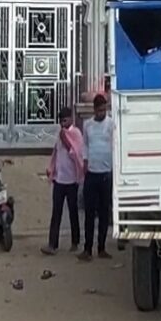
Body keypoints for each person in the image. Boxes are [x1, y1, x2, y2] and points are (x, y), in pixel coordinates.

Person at [42, 106, 84, 256]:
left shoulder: (76, 134)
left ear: (71, 119)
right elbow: (56, 154)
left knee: (73, 212)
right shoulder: (59, 135)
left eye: (65, 120)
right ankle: (52, 244)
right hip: (59, 180)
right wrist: (51, 169)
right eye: (60, 121)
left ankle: (75, 241)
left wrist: (66, 141)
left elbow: (77, 155)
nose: (63, 124)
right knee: (56, 213)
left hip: (71, 180)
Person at [79, 94, 115, 261]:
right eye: (99, 110)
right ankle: (87, 249)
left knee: (104, 212)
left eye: (104, 109)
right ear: (94, 110)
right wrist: (85, 163)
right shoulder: (88, 125)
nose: (102, 113)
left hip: (106, 174)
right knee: (89, 213)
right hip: (91, 173)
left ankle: (101, 248)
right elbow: (85, 145)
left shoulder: (111, 124)